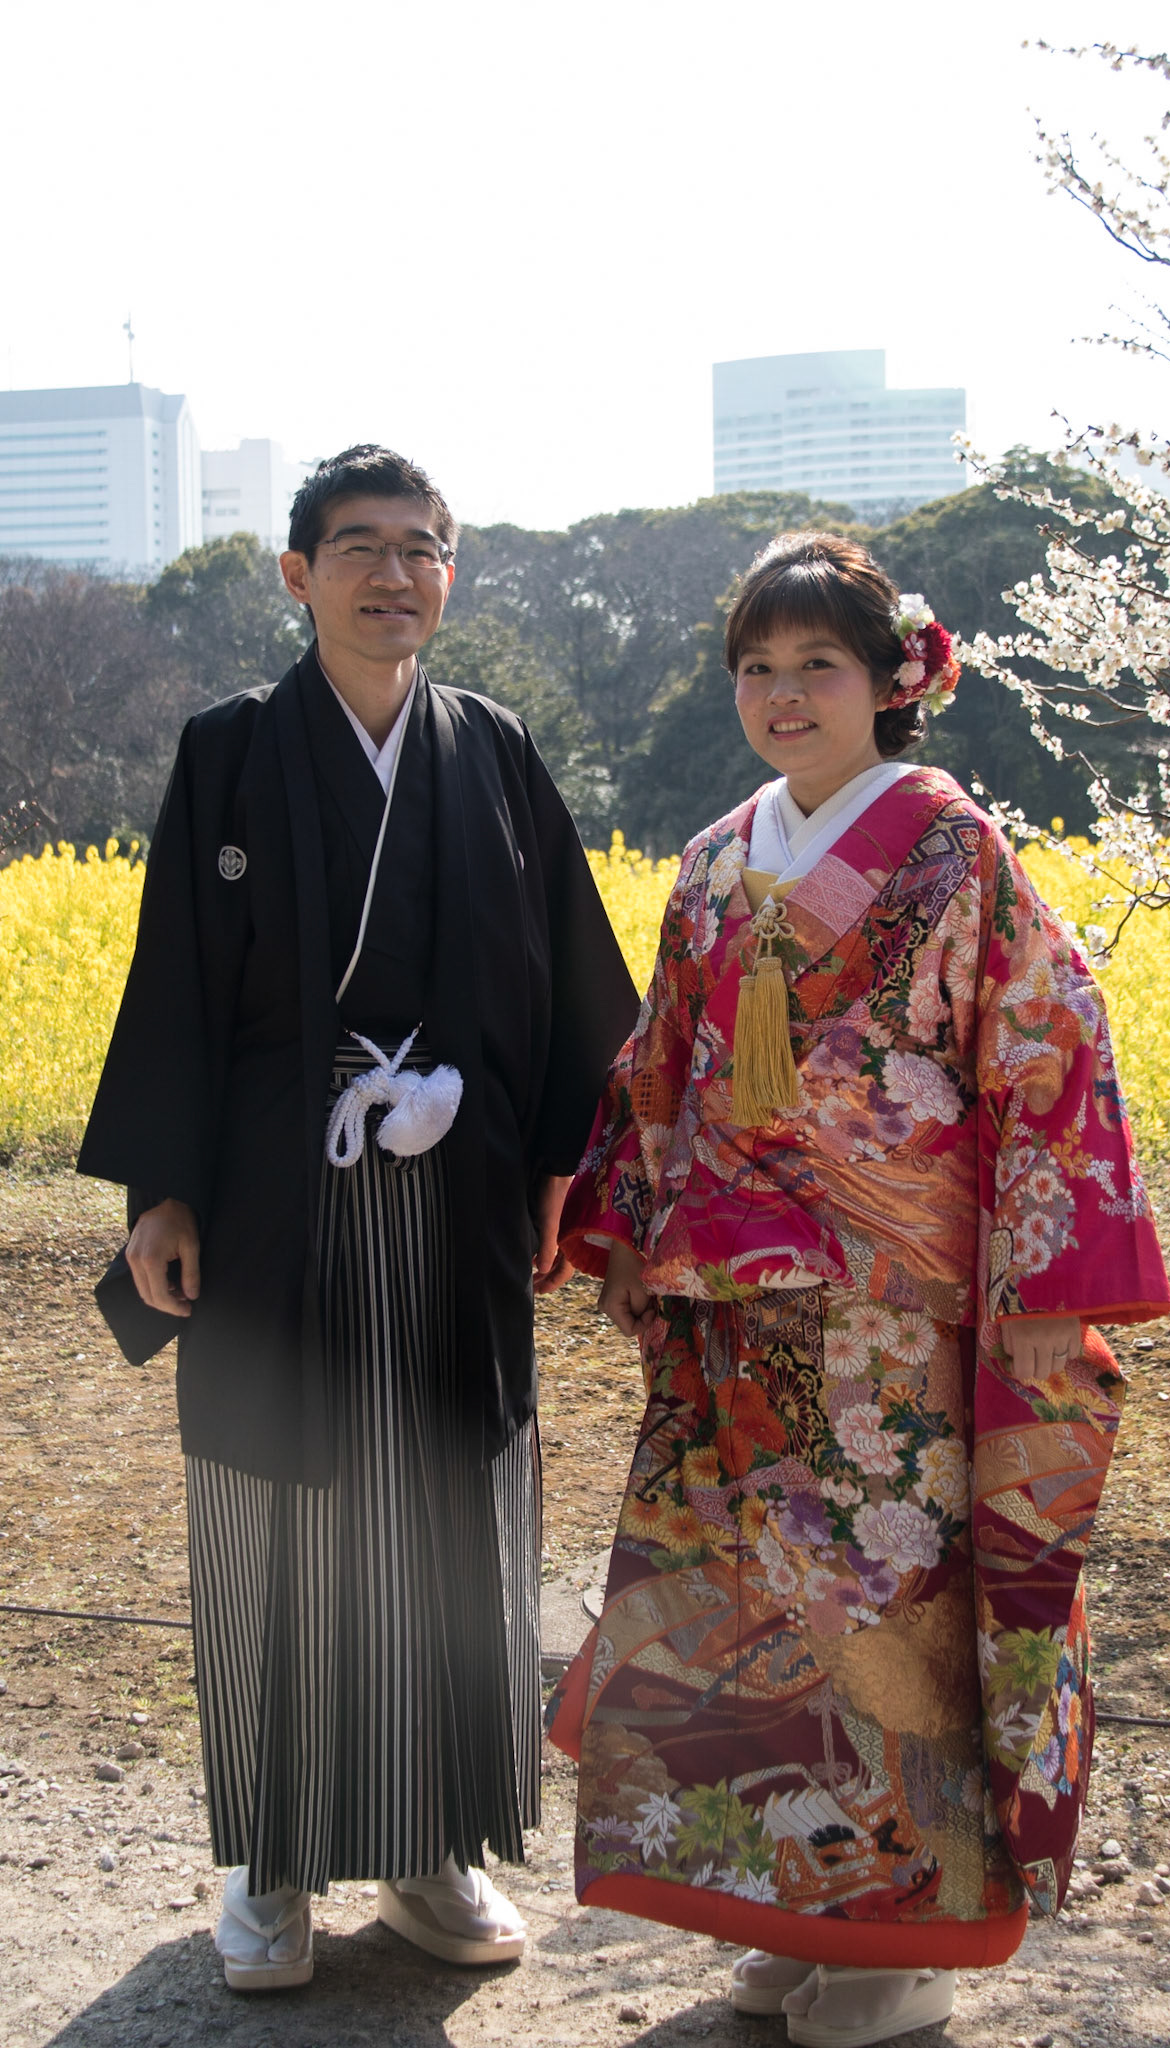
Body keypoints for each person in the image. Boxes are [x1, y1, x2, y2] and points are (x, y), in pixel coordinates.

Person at [547, 532, 1170, 2048]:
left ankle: (904, 1939)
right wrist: (623, 1229)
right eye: (757, 667)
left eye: (817, 664)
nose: (783, 693)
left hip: (898, 1311)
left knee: (887, 1611)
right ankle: (787, 1901)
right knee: (749, 1607)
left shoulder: (954, 850)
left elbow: (1044, 1042)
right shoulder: (715, 858)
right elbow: (661, 1057)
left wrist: (1041, 1275)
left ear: (893, 680)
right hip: (735, 1307)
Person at [78, 445, 639, 1992]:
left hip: (458, 1194)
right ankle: (269, 1861)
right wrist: (161, 1190)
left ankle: (432, 1850)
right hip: (277, 1194)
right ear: (297, 574)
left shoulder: (493, 748)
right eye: (358, 547)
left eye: (420, 547)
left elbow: (566, 981)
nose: (394, 575)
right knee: (275, 1514)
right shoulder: (230, 749)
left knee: (452, 1510)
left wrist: (555, 1164)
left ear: (450, 571)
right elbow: (176, 977)